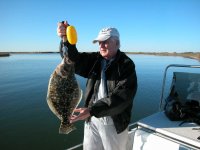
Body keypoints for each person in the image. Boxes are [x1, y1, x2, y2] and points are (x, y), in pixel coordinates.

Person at [57, 21, 137, 150]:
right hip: (91, 118)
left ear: (117, 43)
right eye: (99, 42)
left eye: (105, 41)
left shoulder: (126, 65)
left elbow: (122, 97)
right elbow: (71, 60)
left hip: (113, 121)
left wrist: (92, 110)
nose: (101, 45)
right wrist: (65, 39)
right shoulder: (94, 60)